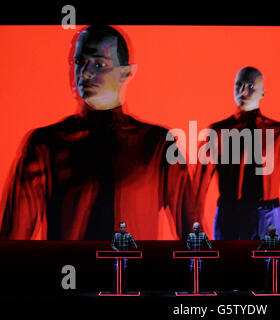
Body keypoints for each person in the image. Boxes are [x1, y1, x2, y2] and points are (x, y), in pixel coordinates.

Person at [0, 25, 198, 240]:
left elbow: (195, 237)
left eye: (99, 64)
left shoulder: (157, 144)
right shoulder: (44, 145)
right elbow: (11, 244)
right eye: (79, 62)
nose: (84, 72)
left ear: (126, 73)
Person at [192, 66, 280, 240]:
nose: (243, 91)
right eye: (238, 85)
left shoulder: (279, 133)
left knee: (269, 266)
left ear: (263, 93)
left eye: (251, 86)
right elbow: (198, 186)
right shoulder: (217, 132)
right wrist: (192, 225)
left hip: (267, 217)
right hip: (230, 215)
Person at [256, 225, 280, 292]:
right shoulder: (276, 238)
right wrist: (256, 252)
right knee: (269, 273)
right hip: (270, 257)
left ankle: (273, 289)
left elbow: (260, 247)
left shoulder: (274, 238)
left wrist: (256, 251)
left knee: (272, 273)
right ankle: (271, 289)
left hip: (273, 257)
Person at [111, 221, 138, 293]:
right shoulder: (116, 235)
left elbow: (135, 246)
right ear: (119, 228)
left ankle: (124, 290)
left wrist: (134, 246)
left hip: (125, 257)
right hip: (117, 257)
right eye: (121, 227)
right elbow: (112, 245)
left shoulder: (129, 235)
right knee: (115, 273)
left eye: (123, 227)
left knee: (125, 273)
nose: (122, 229)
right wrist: (117, 250)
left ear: (126, 228)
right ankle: (114, 290)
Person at [186, 222, 212, 290]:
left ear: (199, 228)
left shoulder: (203, 235)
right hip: (192, 256)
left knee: (200, 271)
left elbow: (208, 243)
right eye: (194, 228)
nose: (195, 229)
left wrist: (210, 248)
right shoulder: (190, 235)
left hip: (200, 256)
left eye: (196, 228)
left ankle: (199, 288)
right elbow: (188, 244)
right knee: (191, 271)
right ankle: (191, 287)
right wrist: (189, 249)